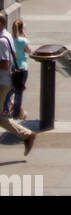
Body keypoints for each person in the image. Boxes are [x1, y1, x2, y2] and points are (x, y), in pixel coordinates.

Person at [0, 14, 35, 154]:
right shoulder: (7, 35)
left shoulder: (2, 41)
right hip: (7, 80)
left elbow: (5, 63)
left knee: (2, 117)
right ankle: (26, 135)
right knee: (2, 117)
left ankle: (27, 134)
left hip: (3, 82)